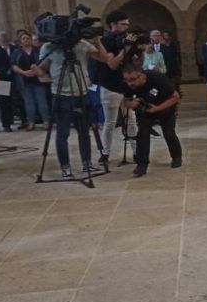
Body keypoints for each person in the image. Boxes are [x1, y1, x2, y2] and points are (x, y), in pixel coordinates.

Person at [38, 36, 114, 178]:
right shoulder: (50, 47)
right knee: (63, 134)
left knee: (84, 131)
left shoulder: (81, 44)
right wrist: (40, 72)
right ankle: (65, 167)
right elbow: (42, 68)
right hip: (61, 94)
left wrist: (97, 41)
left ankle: (87, 163)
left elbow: (105, 59)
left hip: (82, 93)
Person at [90, 10, 139, 164]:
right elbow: (112, 64)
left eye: (127, 24)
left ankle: (137, 151)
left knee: (131, 120)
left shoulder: (127, 39)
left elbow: (135, 62)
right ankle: (105, 153)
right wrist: (125, 50)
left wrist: (137, 50)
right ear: (113, 25)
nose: (126, 27)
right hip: (110, 85)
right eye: (123, 24)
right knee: (110, 122)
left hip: (127, 85)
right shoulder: (106, 40)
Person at [121, 66, 182, 177]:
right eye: (127, 80)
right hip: (146, 110)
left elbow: (175, 97)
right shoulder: (128, 85)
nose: (130, 83)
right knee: (143, 134)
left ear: (141, 75)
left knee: (169, 132)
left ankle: (177, 157)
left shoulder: (157, 78)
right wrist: (131, 104)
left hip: (165, 106)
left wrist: (157, 108)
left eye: (133, 79)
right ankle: (142, 165)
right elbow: (126, 101)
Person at [11, 31, 49, 131]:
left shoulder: (37, 50)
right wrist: (24, 72)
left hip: (38, 79)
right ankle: (31, 123)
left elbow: (44, 62)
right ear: (20, 41)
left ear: (31, 40)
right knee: (29, 103)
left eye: (27, 38)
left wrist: (36, 70)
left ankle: (46, 121)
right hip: (24, 80)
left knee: (42, 102)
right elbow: (14, 65)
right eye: (23, 39)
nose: (26, 40)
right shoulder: (17, 52)